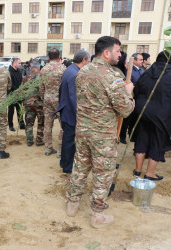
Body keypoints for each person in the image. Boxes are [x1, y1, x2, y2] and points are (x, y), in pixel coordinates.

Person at [66, 36, 135, 229]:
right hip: (102, 135)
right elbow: (125, 110)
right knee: (103, 173)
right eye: (118, 51)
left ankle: (73, 204)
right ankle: (97, 215)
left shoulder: (82, 71)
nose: (120, 55)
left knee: (80, 167)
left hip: (82, 131)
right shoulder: (112, 76)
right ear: (106, 52)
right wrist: (128, 92)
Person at [131, 50, 171, 181]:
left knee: (142, 138)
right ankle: (149, 173)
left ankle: (137, 170)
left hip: (142, 112)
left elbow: (136, 90)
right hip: (162, 115)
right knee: (157, 142)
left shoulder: (147, 72)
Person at [55, 50, 90, 174]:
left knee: (67, 139)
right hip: (70, 112)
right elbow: (74, 97)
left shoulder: (70, 70)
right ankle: (68, 167)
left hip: (66, 109)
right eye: (89, 61)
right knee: (70, 141)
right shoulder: (75, 74)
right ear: (84, 60)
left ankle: (64, 163)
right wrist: (79, 115)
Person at [40, 48, 66, 157]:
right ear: (59, 57)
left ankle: (48, 148)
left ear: (49, 57)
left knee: (47, 124)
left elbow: (41, 87)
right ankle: (60, 150)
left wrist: (43, 97)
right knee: (63, 125)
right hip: (60, 101)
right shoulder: (63, 69)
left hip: (47, 99)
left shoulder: (43, 70)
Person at [22, 60, 44, 147]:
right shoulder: (42, 77)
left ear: (31, 68)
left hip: (28, 104)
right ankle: (39, 140)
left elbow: (22, 92)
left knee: (29, 123)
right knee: (41, 123)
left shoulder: (25, 78)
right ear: (39, 68)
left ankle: (29, 140)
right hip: (39, 104)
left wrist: (24, 103)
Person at [8, 58, 25, 131]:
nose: (20, 65)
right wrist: (16, 90)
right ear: (14, 63)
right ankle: (10, 125)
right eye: (19, 63)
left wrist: (20, 90)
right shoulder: (9, 72)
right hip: (11, 95)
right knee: (11, 111)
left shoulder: (19, 71)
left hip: (18, 94)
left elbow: (20, 81)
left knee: (19, 109)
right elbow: (10, 84)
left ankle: (21, 123)